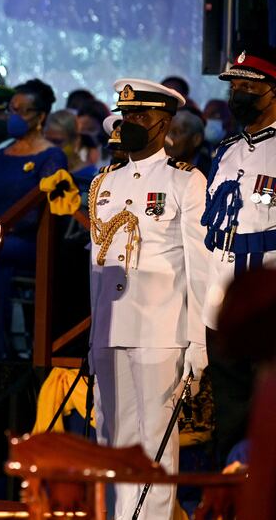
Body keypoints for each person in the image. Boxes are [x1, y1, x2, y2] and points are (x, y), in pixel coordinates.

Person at [88, 78, 208, 520]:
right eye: (126, 116)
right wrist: (93, 334)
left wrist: (198, 341)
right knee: (113, 439)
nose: (131, 123)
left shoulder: (185, 181)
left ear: (164, 123)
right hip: (110, 327)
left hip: (161, 328)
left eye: (141, 117)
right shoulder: (104, 184)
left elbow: (199, 267)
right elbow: (97, 269)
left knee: (155, 446)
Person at [201, 45, 276, 467]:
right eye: (235, 86)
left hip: (268, 305)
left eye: (251, 85)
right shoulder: (226, 150)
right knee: (228, 418)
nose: (240, 94)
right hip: (222, 301)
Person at [0, 78, 67, 360]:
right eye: (11, 109)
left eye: (22, 111)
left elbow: (42, 210)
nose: (13, 117)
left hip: (27, 240)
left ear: (40, 116)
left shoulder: (52, 156)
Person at [166, 109, 212, 176]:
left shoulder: (210, 171)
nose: (168, 138)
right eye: (166, 132)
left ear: (196, 140)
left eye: (176, 132)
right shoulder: (159, 165)